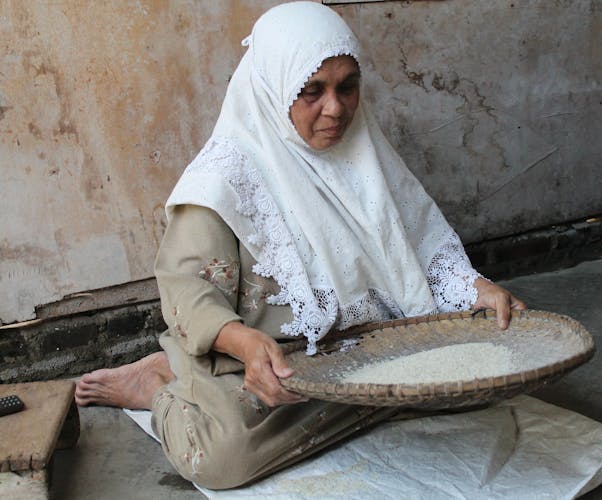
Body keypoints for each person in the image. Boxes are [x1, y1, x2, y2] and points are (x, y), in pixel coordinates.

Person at [75, 1, 526, 490]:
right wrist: (244, 342)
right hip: (268, 365)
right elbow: (186, 292)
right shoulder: (222, 181)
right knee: (223, 455)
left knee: (482, 375)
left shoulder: (365, 153)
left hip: (368, 347)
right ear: (274, 89)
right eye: (312, 91)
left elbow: (419, 243)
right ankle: (159, 385)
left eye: (346, 87)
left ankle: (375, 397)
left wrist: (474, 287)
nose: (335, 108)